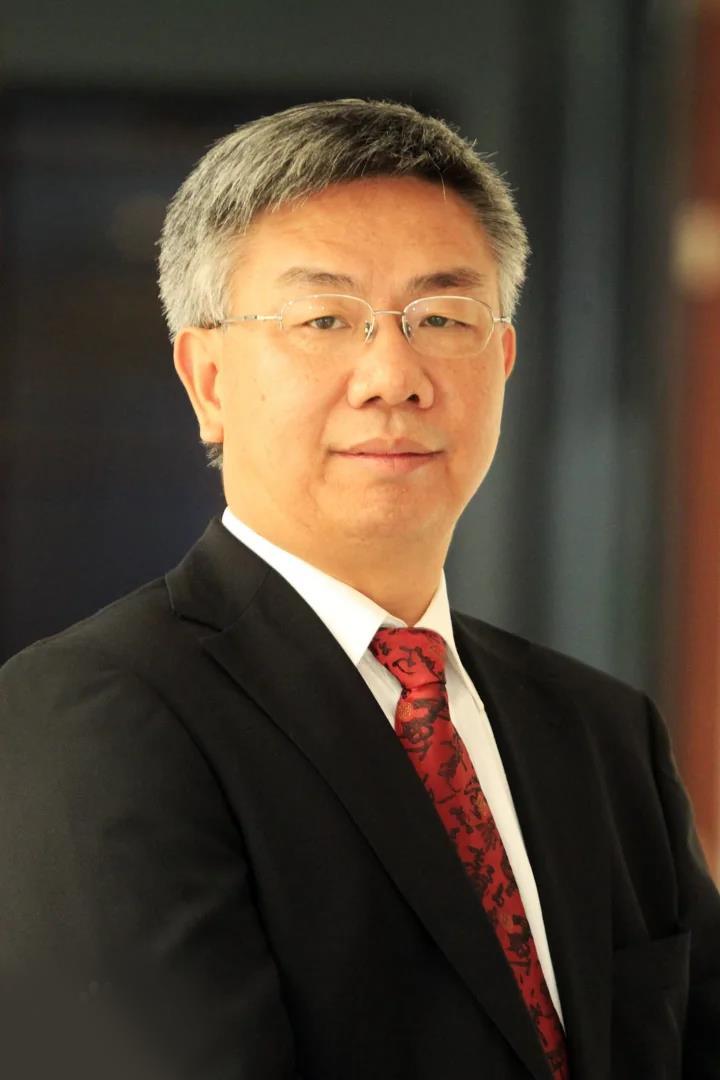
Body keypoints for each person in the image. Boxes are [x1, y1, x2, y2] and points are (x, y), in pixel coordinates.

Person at [0, 98, 718, 1080]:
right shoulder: (88, 719)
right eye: (325, 319)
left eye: (442, 318)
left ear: (504, 361)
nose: (393, 375)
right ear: (208, 379)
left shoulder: (603, 734)